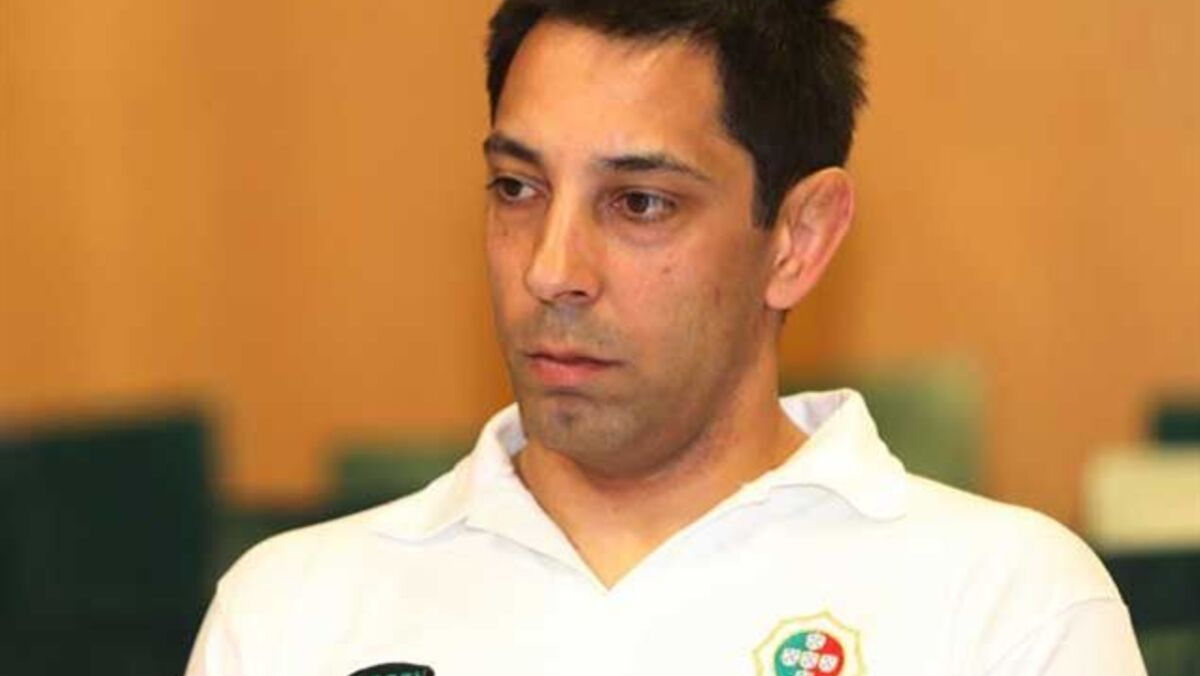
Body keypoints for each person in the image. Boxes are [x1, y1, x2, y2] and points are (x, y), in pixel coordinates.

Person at [186, 1, 1147, 674]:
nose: (550, 268)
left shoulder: (1004, 610)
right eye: (518, 188)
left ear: (798, 240)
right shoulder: (292, 618)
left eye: (640, 203)